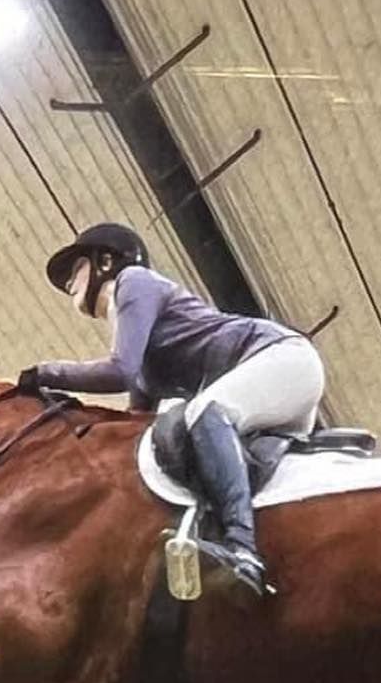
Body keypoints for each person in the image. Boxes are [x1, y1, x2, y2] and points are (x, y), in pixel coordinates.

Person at [20, 223, 325, 596]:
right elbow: (136, 430)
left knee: (204, 413)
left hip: (281, 361)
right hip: (277, 387)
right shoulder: (146, 357)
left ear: (105, 261)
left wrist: (48, 373)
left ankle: (241, 551)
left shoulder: (133, 281)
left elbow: (119, 370)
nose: (69, 282)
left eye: (75, 268)